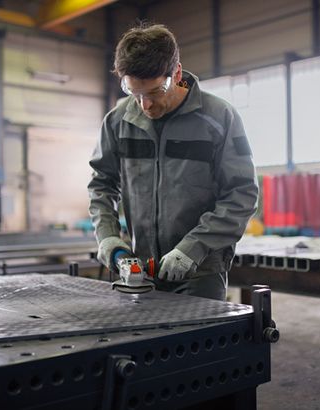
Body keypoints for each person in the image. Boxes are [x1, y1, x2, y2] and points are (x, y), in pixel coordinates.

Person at [88, 23, 258, 301]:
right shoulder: (118, 121)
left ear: (176, 74)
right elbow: (101, 186)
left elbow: (242, 194)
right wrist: (108, 237)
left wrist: (192, 248)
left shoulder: (219, 118)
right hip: (140, 270)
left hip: (201, 272)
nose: (145, 105)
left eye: (154, 92)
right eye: (134, 93)